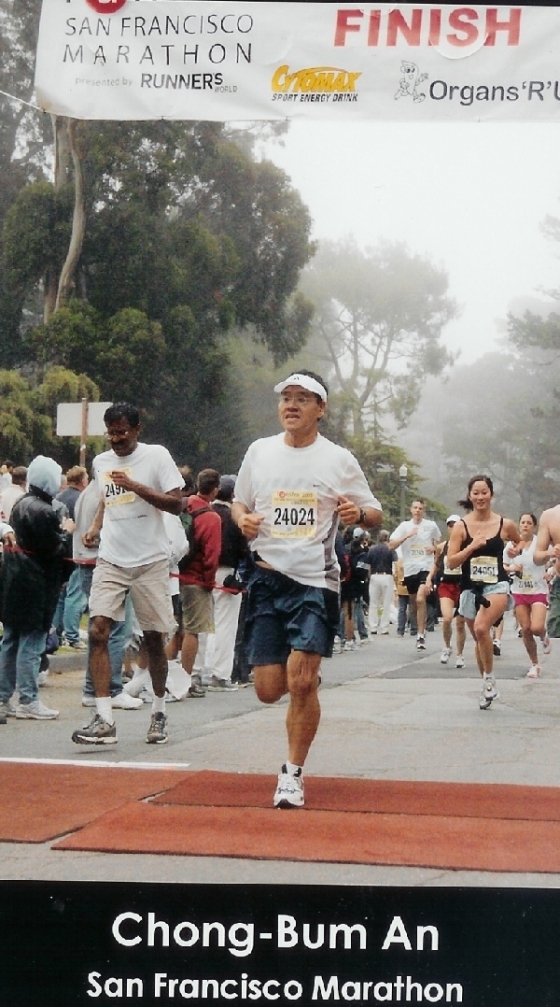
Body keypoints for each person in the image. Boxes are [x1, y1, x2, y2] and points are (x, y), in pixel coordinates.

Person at [232, 370, 382, 809]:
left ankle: (292, 775)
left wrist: (358, 513)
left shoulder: (337, 459)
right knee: (267, 688)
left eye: (303, 398)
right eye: (286, 398)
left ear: (322, 408)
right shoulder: (259, 452)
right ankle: (306, 679)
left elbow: (373, 511)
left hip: (315, 582)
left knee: (300, 681)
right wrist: (242, 519)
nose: (291, 405)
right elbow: (240, 501)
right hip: (265, 578)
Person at [71, 403, 183, 747]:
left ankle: (159, 711)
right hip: (111, 559)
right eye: (111, 433)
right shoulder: (102, 462)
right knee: (98, 630)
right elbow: (107, 495)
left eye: (122, 432)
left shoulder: (156, 457)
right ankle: (104, 718)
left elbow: (177, 503)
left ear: (137, 430)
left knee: (153, 639)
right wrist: (94, 526)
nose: (116, 439)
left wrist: (136, 486)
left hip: (149, 560)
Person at [0, 456, 67, 721]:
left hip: (15, 577)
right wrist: (67, 533)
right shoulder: (45, 511)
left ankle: (3, 697)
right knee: (31, 641)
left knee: (11, 639)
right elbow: (54, 549)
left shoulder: (21, 504)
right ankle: (29, 698)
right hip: (36, 582)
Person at [446, 475, 519, 710]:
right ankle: (487, 682)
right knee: (479, 638)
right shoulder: (461, 526)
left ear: (491, 495)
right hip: (470, 587)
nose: (480, 497)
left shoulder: (504, 524)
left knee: (480, 627)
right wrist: (472, 546)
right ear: (470, 496)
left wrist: (516, 551)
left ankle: (488, 680)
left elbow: (518, 542)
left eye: (484, 492)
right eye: (475, 493)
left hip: (497, 584)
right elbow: (451, 562)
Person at [179, 468, 222, 697]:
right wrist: (209, 580)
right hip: (196, 579)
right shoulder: (210, 517)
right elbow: (211, 555)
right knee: (192, 632)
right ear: (215, 490)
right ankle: (184, 680)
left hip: (174, 574)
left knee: (175, 629)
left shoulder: (183, 505)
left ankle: (164, 677)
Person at [206, 474, 249, 693]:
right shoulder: (233, 518)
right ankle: (220, 674)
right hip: (226, 573)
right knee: (226, 626)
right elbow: (245, 548)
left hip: (201, 572)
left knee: (201, 626)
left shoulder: (204, 511)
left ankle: (196, 672)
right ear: (233, 494)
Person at [389, 500, 441, 651]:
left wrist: (434, 548)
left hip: (425, 566)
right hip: (410, 569)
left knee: (420, 598)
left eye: (420, 508)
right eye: (415, 508)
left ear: (424, 511)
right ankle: (419, 628)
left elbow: (440, 544)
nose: (417, 511)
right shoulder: (404, 526)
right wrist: (407, 536)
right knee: (414, 603)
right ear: (411, 510)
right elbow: (391, 545)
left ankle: (420, 635)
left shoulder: (431, 526)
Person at [504, 512, 551, 678]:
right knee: (526, 629)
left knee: (536, 627)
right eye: (522, 522)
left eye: (529, 523)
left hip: (538, 590)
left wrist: (550, 572)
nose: (525, 525)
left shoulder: (540, 543)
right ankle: (534, 664)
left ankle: (544, 636)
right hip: (519, 591)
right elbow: (503, 565)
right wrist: (511, 569)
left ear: (534, 526)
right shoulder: (511, 545)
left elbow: (553, 559)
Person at [425, 515, 466, 667]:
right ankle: (447, 646)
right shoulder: (443, 546)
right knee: (447, 619)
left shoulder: (466, 545)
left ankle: (460, 655)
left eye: (455, 525)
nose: (453, 528)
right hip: (446, 584)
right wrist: (429, 578)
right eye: (450, 525)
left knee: (461, 623)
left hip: (462, 585)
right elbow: (436, 565)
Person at [366, 529, 397, 636]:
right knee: (386, 603)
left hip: (375, 576)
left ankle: (373, 627)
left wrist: (370, 577)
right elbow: (395, 564)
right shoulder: (391, 549)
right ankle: (384, 628)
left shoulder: (372, 549)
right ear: (387, 538)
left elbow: (368, 565)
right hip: (387, 575)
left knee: (373, 603)